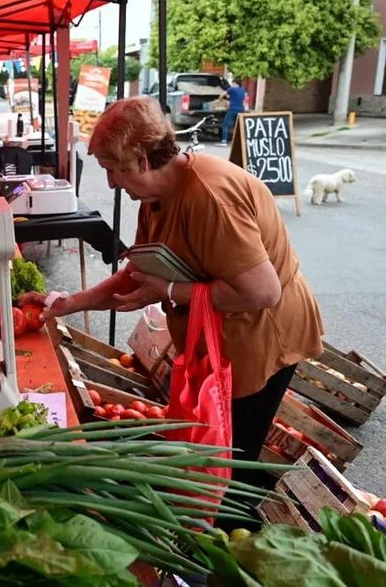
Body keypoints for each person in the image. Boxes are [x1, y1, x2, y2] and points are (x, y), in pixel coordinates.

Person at [23, 96, 324, 489]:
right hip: (224, 335)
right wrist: (70, 303)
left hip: (262, 333)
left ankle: (230, 532)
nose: (111, 182)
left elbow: (261, 292)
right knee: (212, 453)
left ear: (142, 161)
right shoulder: (156, 196)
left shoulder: (210, 198)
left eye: (113, 169)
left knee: (233, 463)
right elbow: (139, 271)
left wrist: (168, 290)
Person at [218, 78, 247, 146]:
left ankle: (224, 141)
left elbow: (221, 95)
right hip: (241, 110)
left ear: (235, 83)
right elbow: (241, 99)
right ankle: (238, 142)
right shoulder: (243, 90)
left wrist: (221, 100)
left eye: (232, 83)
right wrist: (230, 98)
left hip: (233, 109)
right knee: (237, 126)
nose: (232, 85)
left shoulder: (232, 89)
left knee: (225, 125)